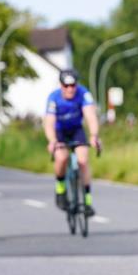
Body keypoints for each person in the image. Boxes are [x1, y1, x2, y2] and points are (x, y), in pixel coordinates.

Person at [44, 68, 100, 215]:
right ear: (61, 85)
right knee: (61, 157)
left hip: (76, 129)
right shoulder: (54, 97)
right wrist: (52, 141)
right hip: (59, 131)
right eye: (66, 86)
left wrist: (94, 136)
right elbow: (49, 122)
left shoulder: (83, 93)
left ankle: (87, 202)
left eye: (73, 85)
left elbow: (90, 116)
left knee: (83, 160)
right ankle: (60, 189)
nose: (70, 89)